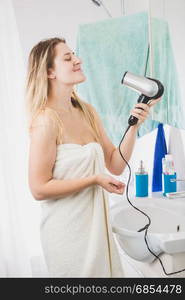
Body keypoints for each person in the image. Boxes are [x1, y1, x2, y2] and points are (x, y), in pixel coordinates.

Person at [26, 37, 161, 277]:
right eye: (67, 58)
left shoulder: (87, 111)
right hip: (67, 233)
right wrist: (94, 180)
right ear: (49, 72)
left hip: (96, 229)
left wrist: (134, 126)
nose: (77, 60)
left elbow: (116, 163)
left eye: (74, 54)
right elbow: (38, 188)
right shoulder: (46, 120)